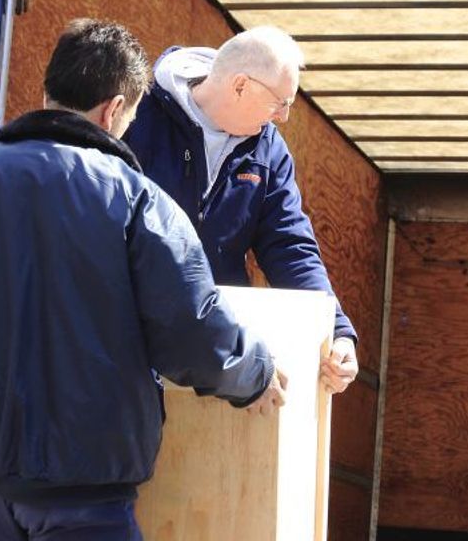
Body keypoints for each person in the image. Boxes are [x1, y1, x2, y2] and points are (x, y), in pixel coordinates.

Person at [0, 19, 286, 541]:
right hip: (86, 487)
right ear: (114, 109)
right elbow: (191, 327)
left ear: (50, 93)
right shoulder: (137, 201)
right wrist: (254, 371)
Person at [123, 26, 359, 395]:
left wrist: (337, 332)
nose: (283, 117)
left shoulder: (269, 151)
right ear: (239, 85)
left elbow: (289, 245)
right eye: (280, 102)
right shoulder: (139, 117)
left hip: (216, 355)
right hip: (132, 345)